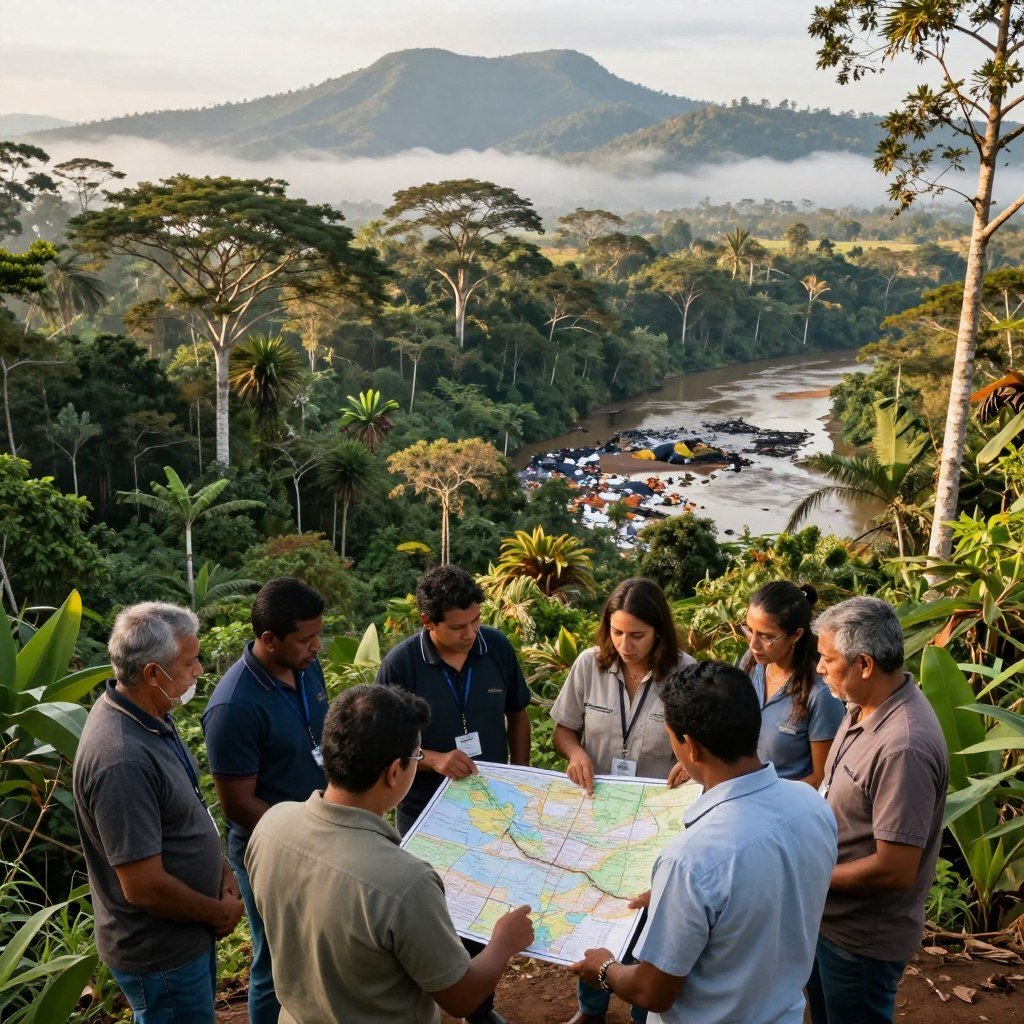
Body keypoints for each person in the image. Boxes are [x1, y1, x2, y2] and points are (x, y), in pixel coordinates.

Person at [245, 684, 535, 1024]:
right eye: (416, 758)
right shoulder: (405, 881)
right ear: (395, 771)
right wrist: (503, 942)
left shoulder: (272, 825)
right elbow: (461, 998)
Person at [572, 660, 838, 1024]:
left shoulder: (690, 860)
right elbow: (763, 897)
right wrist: (678, 902)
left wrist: (604, 968)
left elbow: (653, 991)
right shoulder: (811, 807)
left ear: (692, 747)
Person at [73, 603, 244, 1024]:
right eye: (189, 662)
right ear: (153, 673)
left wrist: (219, 868)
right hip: (161, 955)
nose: (199, 671)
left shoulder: (149, 716)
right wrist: (215, 912)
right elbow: (143, 887)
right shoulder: (123, 760)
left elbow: (182, 814)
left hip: (183, 940)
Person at [375, 564, 531, 1024]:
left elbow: (517, 715)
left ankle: (480, 1007)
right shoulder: (401, 665)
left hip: (491, 803)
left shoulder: (496, 648)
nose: (470, 635)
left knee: (487, 907)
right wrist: (434, 759)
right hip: (427, 809)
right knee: (438, 911)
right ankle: (442, 1002)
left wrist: (519, 776)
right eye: (458, 627)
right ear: (428, 622)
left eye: (476, 622)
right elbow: (386, 741)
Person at [551, 577, 696, 1024]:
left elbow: (699, 741)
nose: (625, 644)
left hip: (659, 817)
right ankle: (590, 1008)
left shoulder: (685, 673)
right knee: (592, 907)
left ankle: (641, 1013)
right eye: (616, 632)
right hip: (599, 810)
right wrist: (575, 753)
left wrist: (691, 763)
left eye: (637, 635)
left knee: (647, 911)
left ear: (659, 632)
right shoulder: (588, 666)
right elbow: (563, 729)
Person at [807, 597, 948, 1024]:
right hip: (829, 919)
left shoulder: (903, 745)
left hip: (860, 938)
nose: (819, 668)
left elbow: (894, 869)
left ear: (864, 664)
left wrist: (808, 874)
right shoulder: (861, 706)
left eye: (827, 659)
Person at [202, 578, 328, 1024]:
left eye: (319, 634)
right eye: (306, 638)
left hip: (319, 834)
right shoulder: (234, 707)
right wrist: (307, 832)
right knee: (275, 962)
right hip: (271, 849)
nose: (317, 646)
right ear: (269, 640)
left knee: (314, 951)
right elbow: (238, 805)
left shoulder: (306, 667)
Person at [740, 581, 845, 788]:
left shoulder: (820, 694)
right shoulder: (751, 664)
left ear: (796, 634)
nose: (753, 644)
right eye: (749, 630)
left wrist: (769, 800)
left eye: (766, 636)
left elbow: (822, 779)